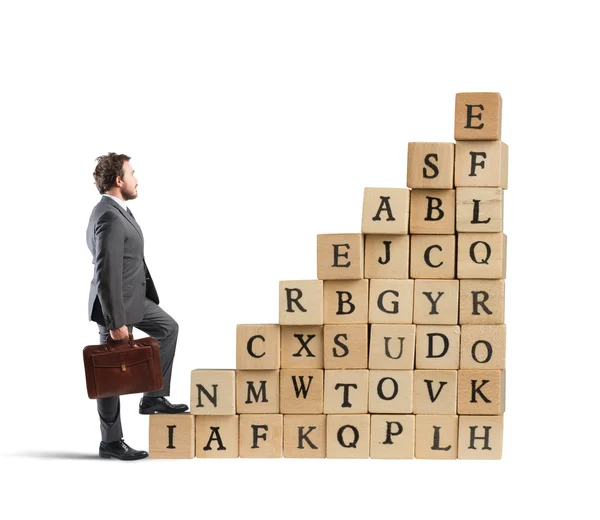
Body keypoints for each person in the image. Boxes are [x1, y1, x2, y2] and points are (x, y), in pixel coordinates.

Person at [86, 153, 188, 461]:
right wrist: (116, 322)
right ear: (119, 181)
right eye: (132, 173)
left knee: (168, 328)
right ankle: (111, 442)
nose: (136, 179)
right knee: (110, 374)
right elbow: (106, 272)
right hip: (115, 304)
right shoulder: (108, 215)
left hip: (134, 299)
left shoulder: (118, 211)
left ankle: (153, 397)